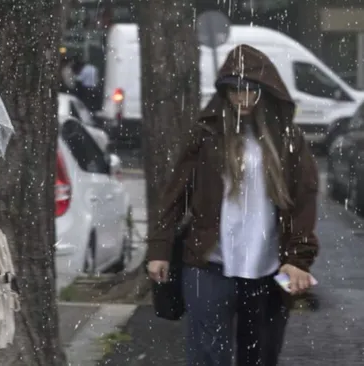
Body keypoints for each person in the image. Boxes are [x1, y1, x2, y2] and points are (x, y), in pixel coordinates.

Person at [146, 44, 319, 366]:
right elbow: (176, 193)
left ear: (265, 92)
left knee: (260, 354)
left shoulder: (288, 140)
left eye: (250, 91)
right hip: (208, 261)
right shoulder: (208, 134)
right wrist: (159, 248)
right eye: (234, 91)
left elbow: (303, 202)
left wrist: (299, 258)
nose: (242, 99)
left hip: (266, 266)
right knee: (209, 352)